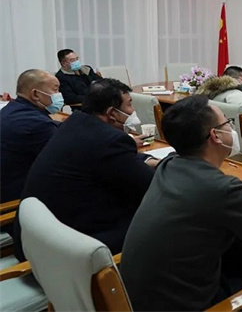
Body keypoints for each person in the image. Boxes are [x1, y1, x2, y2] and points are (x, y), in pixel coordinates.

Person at [121, 95, 242, 311]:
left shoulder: (169, 164)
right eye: (227, 122)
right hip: (186, 304)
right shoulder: (224, 189)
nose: (231, 129)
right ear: (215, 135)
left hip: (141, 299)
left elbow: (200, 203)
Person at [12, 78, 158, 261]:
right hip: (68, 249)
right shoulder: (109, 140)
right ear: (112, 113)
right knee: (161, 216)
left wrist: (146, 160)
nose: (132, 110)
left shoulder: (75, 124)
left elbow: (109, 160)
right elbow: (151, 187)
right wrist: (170, 165)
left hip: (36, 239)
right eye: (129, 105)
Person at [0, 70, 62, 203]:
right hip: (15, 198)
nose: (59, 95)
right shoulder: (37, 125)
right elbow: (64, 161)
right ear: (35, 94)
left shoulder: (13, 109)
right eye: (55, 90)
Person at [197, 67, 242, 162]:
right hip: (240, 152)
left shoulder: (211, 95)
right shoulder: (236, 95)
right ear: (233, 79)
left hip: (215, 149)